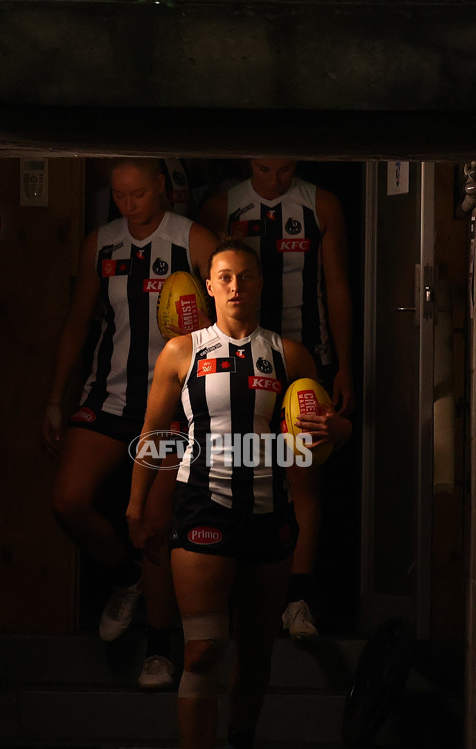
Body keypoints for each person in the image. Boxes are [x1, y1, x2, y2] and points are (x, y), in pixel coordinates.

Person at [126, 239, 351, 749]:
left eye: (245, 276)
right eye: (223, 277)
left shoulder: (288, 354)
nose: (234, 287)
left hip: (268, 513)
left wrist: (336, 427)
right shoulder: (182, 352)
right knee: (203, 650)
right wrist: (135, 504)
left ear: (259, 285)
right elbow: (153, 431)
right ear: (209, 286)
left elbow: (326, 430)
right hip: (202, 508)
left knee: (256, 651)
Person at [42, 157, 218, 689]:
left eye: (138, 193)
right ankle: (126, 577)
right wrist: (55, 398)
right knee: (67, 500)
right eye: (119, 195)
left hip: (172, 408)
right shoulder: (102, 242)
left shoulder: (193, 239)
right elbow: (79, 320)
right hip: (109, 396)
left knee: (154, 524)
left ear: (161, 187)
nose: (128, 204)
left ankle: (159, 648)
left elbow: (229, 321)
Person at [198, 158, 355, 640]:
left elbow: (336, 285)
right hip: (238, 358)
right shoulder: (222, 206)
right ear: (250, 161)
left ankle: (298, 598)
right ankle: (229, 596)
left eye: (284, 169)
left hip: (305, 356)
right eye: (265, 169)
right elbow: (205, 282)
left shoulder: (321, 204)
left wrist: (346, 364)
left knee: (302, 474)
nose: (274, 179)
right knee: (233, 467)